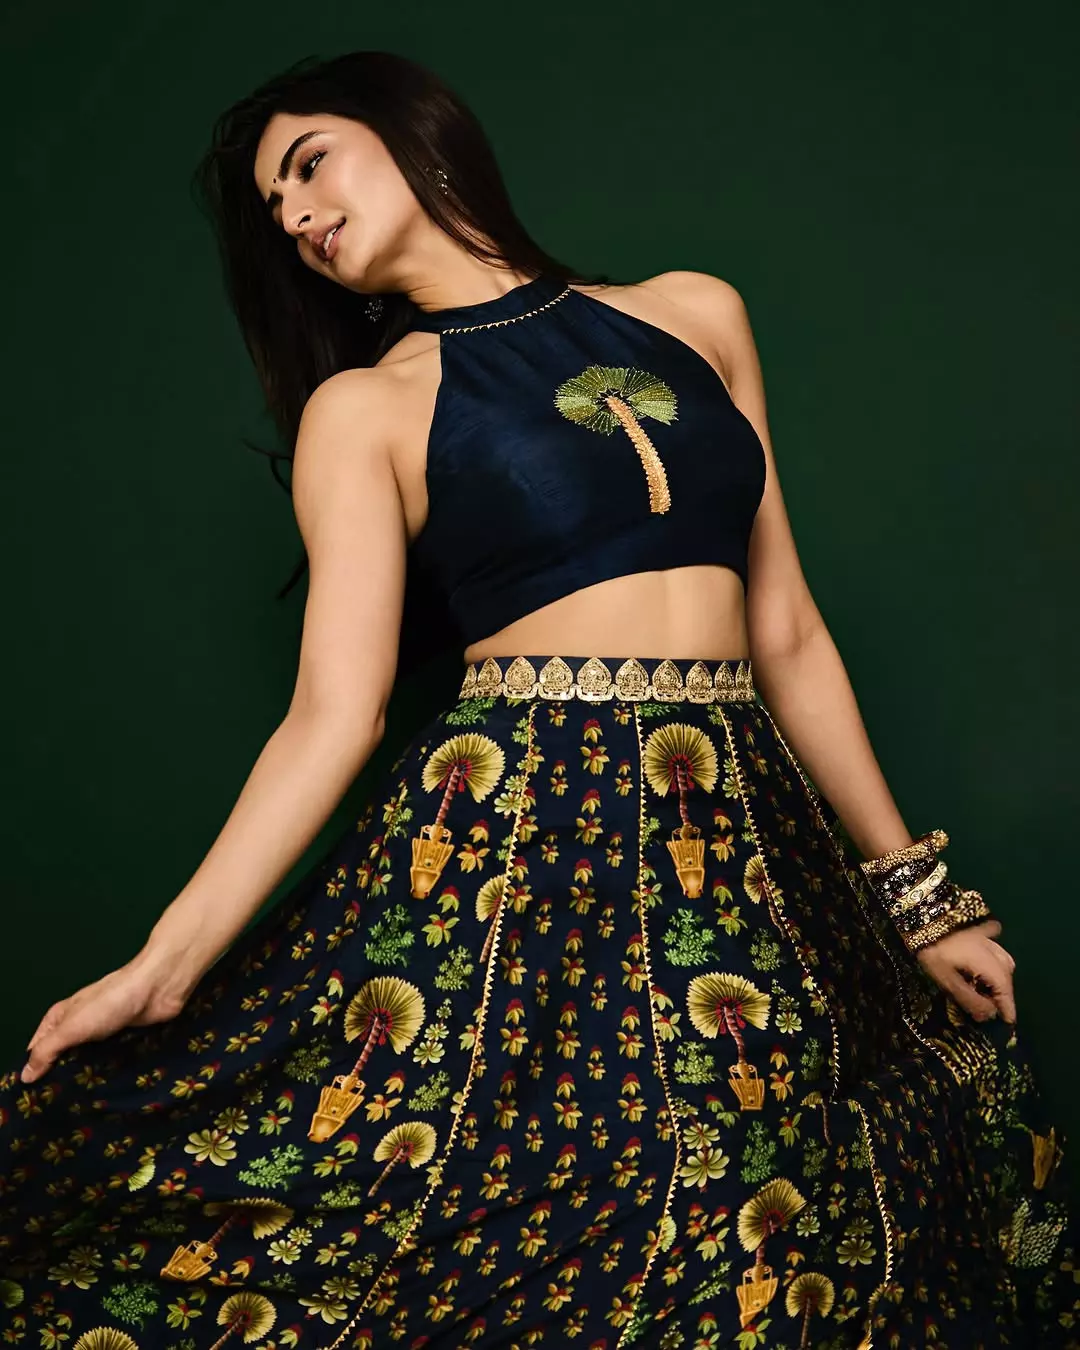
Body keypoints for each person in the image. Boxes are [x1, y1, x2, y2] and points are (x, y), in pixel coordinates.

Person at [0, 48, 1074, 1350]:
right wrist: (163, 969)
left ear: (414, 130)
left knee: (798, 1188)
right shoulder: (366, 411)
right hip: (533, 850)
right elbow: (334, 712)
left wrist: (915, 892)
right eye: (274, 211)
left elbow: (787, 630)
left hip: (748, 836)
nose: (295, 215)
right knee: (583, 1211)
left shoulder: (695, 315)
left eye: (308, 165)